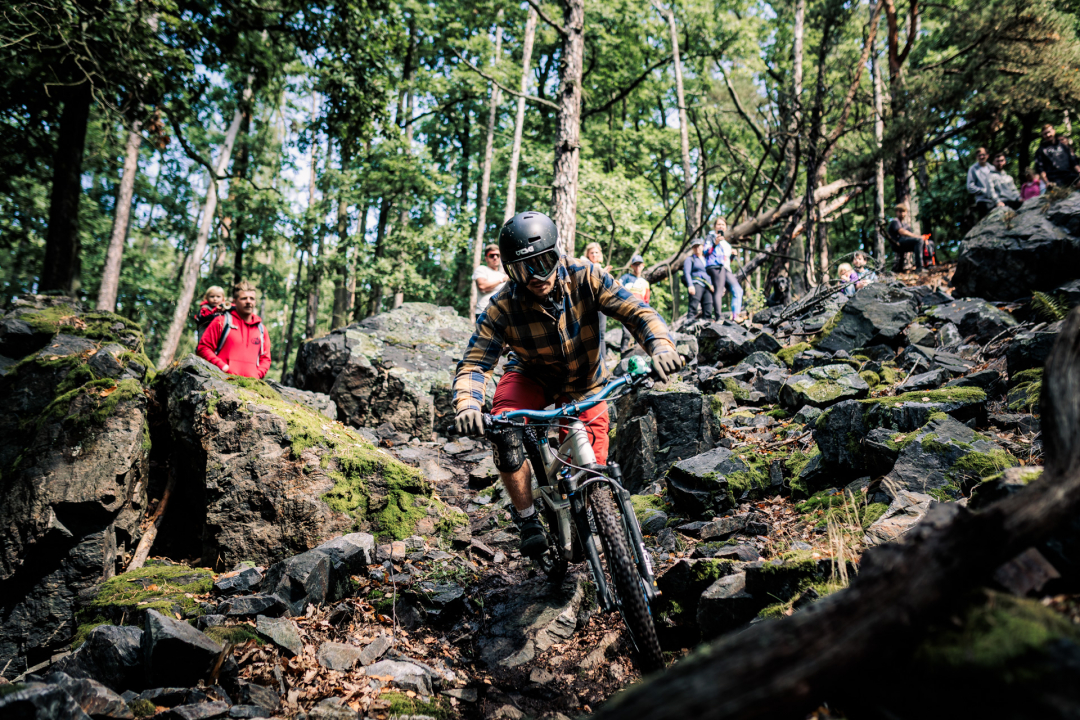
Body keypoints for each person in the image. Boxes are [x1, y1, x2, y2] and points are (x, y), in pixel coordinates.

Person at [451, 211, 682, 558]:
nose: (536, 277)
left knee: (593, 472)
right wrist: (468, 405)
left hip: (586, 382)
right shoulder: (502, 305)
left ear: (557, 255)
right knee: (504, 429)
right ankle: (527, 517)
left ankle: (588, 515)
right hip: (530, 374)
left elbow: (637, 312)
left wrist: (661, 347)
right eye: (523, 269)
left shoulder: (587, 275)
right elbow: (474, 363)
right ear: (510, 272)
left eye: (543, 263)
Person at [197, 280, 272, 379]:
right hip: (221, 381)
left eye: (252, 298)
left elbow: (266, 359)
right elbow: (203, 348)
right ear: (235, 301)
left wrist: (257, 374)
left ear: (255, 302)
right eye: (244, 298)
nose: (248, 301)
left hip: (251, 385)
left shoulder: (261, 329)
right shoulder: (221, 321)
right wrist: (223, 368)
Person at [581, 242, 613, 357]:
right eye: (592, 253)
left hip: (600, 304)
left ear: (600, 254)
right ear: (587, 254)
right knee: (588, 334)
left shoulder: (600, 268)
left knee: (601, 334)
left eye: (596, 252)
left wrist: (604, 274)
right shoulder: (583, 265)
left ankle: (603, 361)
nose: (594, 255)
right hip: (588, 304)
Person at [617, 254, 651, 354]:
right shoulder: (625, 278)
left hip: (640, 310)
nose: (637, 267)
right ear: (632, 266)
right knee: (626, 333)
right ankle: (623, 353)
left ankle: (638, 353)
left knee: (639, 333)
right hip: (626, 309)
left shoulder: (645, 283)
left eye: (639, 264)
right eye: (635, 264)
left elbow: (646, 300)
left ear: (643, 266)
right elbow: (617, 289)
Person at [1034, 124, 1080, 188]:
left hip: (1069, 176)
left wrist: (1079, 171)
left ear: (1054, 131)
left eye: (1049, 132)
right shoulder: (1041, 150)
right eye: (1045, 134)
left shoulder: (1064, 147)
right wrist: (1046, 182)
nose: (1048, 135)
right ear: (1043, 135)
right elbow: (1040, 169)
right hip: (1054, 179)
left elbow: (1074, 162)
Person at [683, 239, 715, 322]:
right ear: (692, 249)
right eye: (695, 247)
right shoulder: (690, 259)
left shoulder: (707, 259)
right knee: (693, 305)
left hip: (708, 286)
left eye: (698, 246)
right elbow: (687, 273)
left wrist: (712, 284)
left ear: (702, 247)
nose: (697, 248)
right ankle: (689, 323)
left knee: (708, 306)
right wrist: (690, 285)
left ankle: (707, 324)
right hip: (696, 283)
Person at [473, 244, 509, 317]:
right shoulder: (481, 269)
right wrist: (501, 280)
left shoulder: (503, 275)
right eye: (491, 255)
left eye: (497, 255)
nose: (495, 258)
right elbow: (482, 286)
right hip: (484, 313)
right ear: (486, 258)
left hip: (501, 314)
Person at [887, 204, 925, 272]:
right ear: (896, 212)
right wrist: (919, 237)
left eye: (903, 211)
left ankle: (928, 264)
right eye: (900, 211)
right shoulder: (895, 221)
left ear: (906, 212)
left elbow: (910, 235)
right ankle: (919, 267)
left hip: (904, 243)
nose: (902, 214)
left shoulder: (906, 225)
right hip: (897, 243)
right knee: (919, 241)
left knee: (926, 242)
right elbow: (902, 232)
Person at [966, 147, 1000, 218]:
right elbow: (970, 186)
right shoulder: (973, 169)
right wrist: (983, 191)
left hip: (995, 201)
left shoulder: (992, 168)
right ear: (976, 157)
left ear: (987, 155)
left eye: (983, 155)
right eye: (979, 155)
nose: (981, 157)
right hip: (982, 201)